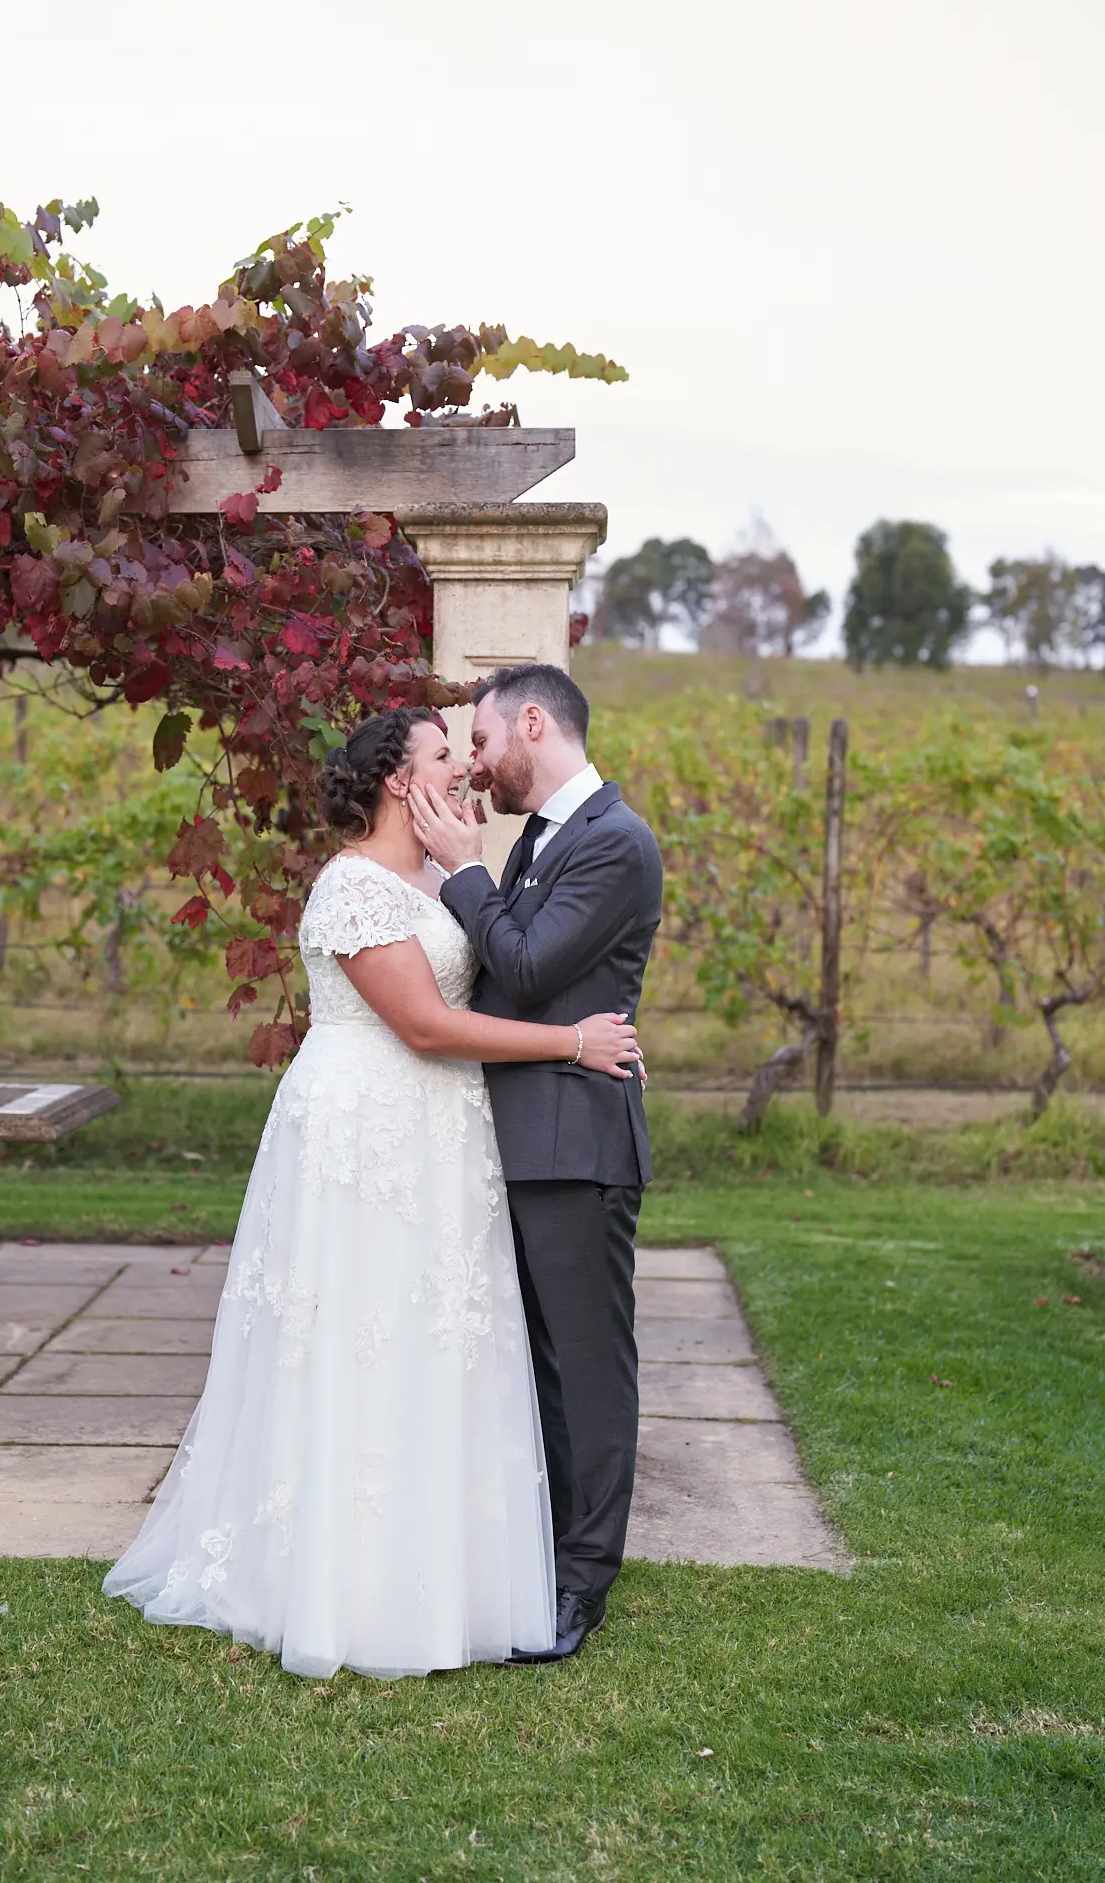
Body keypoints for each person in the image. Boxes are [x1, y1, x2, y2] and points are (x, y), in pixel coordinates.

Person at [103, 704, 642, 1680]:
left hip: (443, 1135)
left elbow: (506, 966)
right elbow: (428, 1026)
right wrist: (574, 1043)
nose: (465, 768)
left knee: (436, 1337)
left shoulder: (441, 876)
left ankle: (447, 1571)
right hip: (368, 1127)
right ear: (400, 778)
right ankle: (344, 1580)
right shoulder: (350, 887)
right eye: (446, 753)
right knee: (363, 1333)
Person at [408, 663, 663, 1665]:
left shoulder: (616, 842)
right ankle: (539, 1551)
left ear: (530, 723)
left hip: (576, 1149)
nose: (476, 764)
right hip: (519, 1141)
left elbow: (524, 965)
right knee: (540, 1371)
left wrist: (466, 869)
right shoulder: (543, 839)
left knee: (589, 1374)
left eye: (479, 744)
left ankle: (582, 1584)